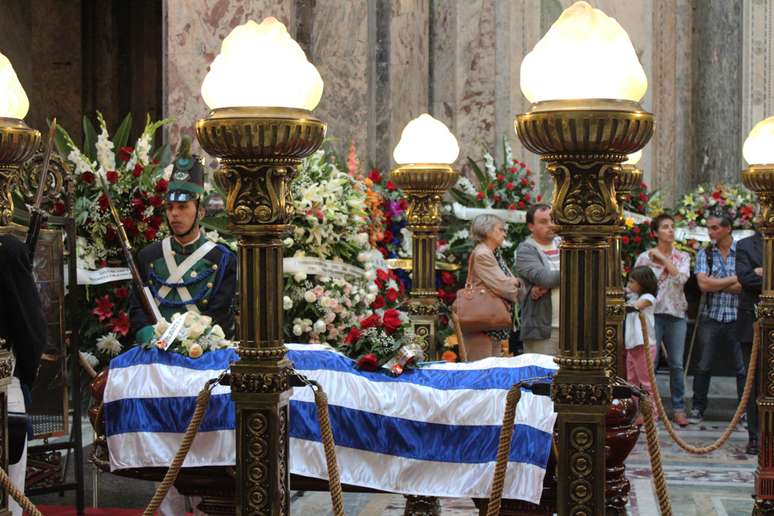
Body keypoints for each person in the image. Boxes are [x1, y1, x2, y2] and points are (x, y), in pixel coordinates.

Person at [128, 138, 237, 515]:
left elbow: (222, 316)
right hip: (157, 358)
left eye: (183, 207)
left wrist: (196, 342)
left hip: (200, 358)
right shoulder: (148, 256)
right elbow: (138, 312)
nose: (175, 215)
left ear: (200, 210)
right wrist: (149, 335)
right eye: (170, 208)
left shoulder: (223, 259)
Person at [0, 234, 46, 516]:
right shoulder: (7, 250)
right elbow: (30, 328)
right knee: (10, 497)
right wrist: (25, 376)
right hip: (4, 384)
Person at [634, 213, 691, 427]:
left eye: (672, 227)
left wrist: (664, 258)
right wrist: (654, 257)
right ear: (655, 233)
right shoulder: (644, 258)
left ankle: (678, 409)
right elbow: (636, 285)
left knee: (676, 364)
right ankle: (647, 409)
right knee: (650, 364)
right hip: (651, 315)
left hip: (676, 314)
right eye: (665, 227)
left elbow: (681, 278)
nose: (670, 230)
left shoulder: (683, 257)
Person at [689, 214, 745, 424]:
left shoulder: (742, 252)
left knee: (742, 367)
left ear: (727, 228)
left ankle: (744, 411)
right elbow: (703, 286)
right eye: (709, 228)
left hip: (738, 316)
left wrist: (717, 282)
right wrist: (733, 279)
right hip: (711, 317)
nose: (710, 232)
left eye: (714, 228)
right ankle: (697, 408)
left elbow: (745, 284)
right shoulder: (706, 253)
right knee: (703, 364)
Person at [462, 214, 522, 360]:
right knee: (482, 368)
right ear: (488, 231)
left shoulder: (493, 252)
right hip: (482, 320)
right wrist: (518, 284)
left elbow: (505, 282)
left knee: (492, 366)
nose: (504, 233)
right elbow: (504, 286)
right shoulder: (483, 253)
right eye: (501, 229)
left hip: (490, 321)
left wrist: (512, 282)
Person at [516, 203, 561, 355]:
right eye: (543, 222)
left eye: (553, 220)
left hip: (573, 329)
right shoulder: (526, 250)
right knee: (541, 378)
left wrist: (551, 283)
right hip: (542, 331)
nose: (551, 225)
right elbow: (545, 278)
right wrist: (575, 272)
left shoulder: (566, 244)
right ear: (531, 226)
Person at [736, 230, 762, 454]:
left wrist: (764, 272)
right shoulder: (745, 245)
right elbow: (746, 279)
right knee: (754, 381)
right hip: (751, 320)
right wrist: (757, 275)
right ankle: (755, 435)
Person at [624, 266, 659, 407]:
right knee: (631, 382)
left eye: (632, 282)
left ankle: (651, 415)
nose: (629, 285)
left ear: (642, 283)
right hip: (632, 346)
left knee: (646, 383)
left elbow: (635, 307)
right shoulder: (633, 296)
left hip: (644, 345)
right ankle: (636, 414)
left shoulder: (648, 298)